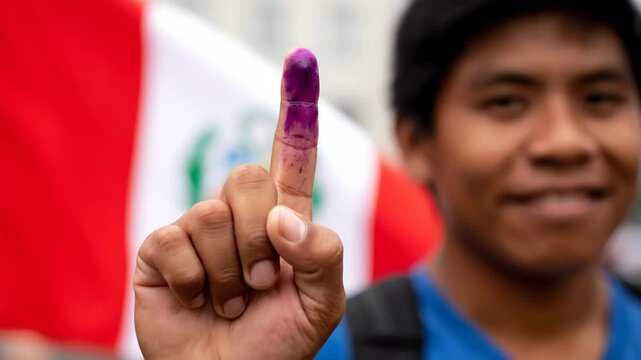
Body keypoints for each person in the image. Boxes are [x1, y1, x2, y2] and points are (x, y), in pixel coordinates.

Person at [133, 0, 641, 358]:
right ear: (416, 141)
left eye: (600, 99)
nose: (565, 142)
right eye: (506, 102)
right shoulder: (310, 346)